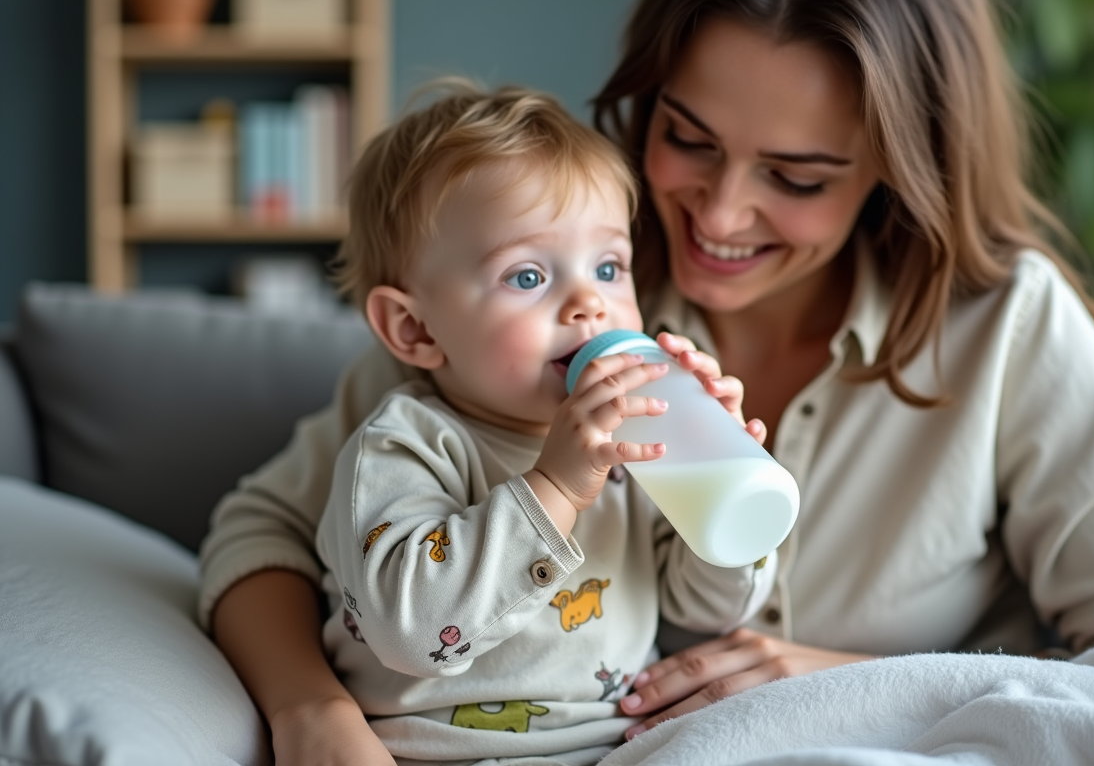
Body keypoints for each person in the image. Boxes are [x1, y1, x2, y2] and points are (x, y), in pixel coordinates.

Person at [198, 0, 1094, 763]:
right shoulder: (514, 315)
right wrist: (309, 712)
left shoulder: (1004, 327)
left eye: (796, 176)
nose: (717, 217)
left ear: (902, 166)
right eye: (688, 139)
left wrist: (854, 674)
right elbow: (269, 530)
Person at [305, 82, 776, 765]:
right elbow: (411, 634)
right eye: (527, 277)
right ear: (414, 328)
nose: (589, 302)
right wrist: (555, 487)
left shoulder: (635, 438)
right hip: (442, 750)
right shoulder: (403, 446)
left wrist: (721, 476)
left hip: (624, 745)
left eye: (609, 266)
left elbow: (701, 613)